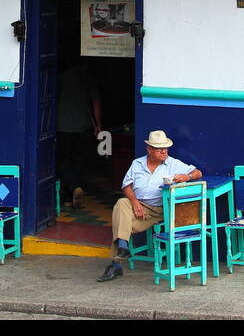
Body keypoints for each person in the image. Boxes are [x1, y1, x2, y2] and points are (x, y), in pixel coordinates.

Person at [97, 130, 202, 283]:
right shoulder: (137, 163)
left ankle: (116, 262)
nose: (164, 151)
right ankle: (122, 248)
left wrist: (187, 176)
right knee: (121, 204)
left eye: (165, 148)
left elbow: (198, 173)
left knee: (120, 223)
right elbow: (126, 186)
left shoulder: (172, 163)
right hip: (137, 206)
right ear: (149, 150)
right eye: (159, 148)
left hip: (157, 210)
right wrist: (135, 202)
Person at [55, 54, 102, 210]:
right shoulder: (88, 79)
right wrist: (98, 125)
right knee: (77, 161)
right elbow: (95, 103)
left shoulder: (61, 78)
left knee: (63, 160)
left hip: (63, 127)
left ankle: (71, 193)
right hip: (83, 127)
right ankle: (74, 189)